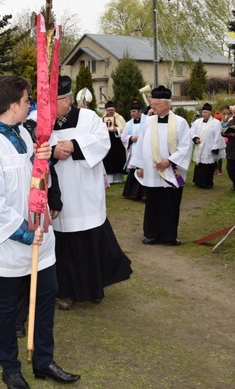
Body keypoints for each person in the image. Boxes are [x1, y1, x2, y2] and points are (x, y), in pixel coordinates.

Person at [0, 75, 80, 388]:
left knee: (45, 295)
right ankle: (10, 368)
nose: (31, 105)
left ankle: (43, 360)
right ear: (13, 104)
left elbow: (35, 179)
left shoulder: (23, 136)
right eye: (27, 100)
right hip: (13, 241)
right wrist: (25, 233)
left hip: (41, 237)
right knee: (10, 305)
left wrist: (42, 165)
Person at [49, 75, 133, 311]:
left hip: (85, 191)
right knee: (63, 246)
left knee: (89, 241)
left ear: (66, 100)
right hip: (59, 193)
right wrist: (54, 151)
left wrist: (75, 146)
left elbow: (102, 143)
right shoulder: (43, 120)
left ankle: (94, 288)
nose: (48, 107)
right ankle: (66, 292)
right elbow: (36, 145)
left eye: (53, 101)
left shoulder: (88, 118)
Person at [134, 86, 193, 245]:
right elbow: (141, 144)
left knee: (170, 204)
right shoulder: (148, 122)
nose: (152, 107)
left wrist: (169, 161)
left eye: (155, 104)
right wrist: (140, 166)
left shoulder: (180, 123)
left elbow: (186, 146)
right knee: (152, 204)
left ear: (166, 105)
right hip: (152, 172)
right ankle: (151, 234)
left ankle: (169, 236)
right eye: (152, 103)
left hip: (171, 171)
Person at [190, 103, 226, 189]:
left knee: (208, 166)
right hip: (199, 147)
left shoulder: (215, 122)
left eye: (205, 112)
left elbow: (218, 136)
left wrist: (215, 147)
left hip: (209, 148)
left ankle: (207, 183)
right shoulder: (197, 122)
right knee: (199, 165)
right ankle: (198, 181)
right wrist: (195, 138)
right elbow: (191, 131)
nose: (203, 114)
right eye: (202, 112)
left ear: (210, 113)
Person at [121, 99, 144, 200]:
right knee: (134, 170)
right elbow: (123, 136)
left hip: (144, 150)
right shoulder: (128, 124)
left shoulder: (148, 121)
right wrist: (131, 138)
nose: (132, 114)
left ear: (140, 112)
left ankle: (144, 194)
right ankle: (131, 193)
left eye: (134, 112)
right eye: (131, 112)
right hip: (134, 149)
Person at [101, 101, 126, 184]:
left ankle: (118, 179)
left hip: (117, 142)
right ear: (106, 110)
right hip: (107, 142)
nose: (110, 111)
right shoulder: (102, 118)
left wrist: (117, 129)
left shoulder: (119, 118)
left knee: (118, 159)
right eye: (109, 110)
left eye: (112, 110)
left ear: (114, 109)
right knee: (108, 160)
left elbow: (124, 129)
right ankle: (109, 179)